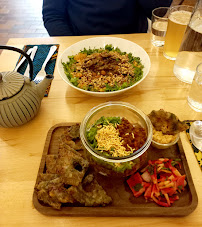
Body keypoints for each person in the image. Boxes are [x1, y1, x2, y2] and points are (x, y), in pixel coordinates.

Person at [42, 0, 183, 36]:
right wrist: (73, 47)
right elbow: (53, 16)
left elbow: (156, 11)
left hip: (133, 42)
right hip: (80, 40)